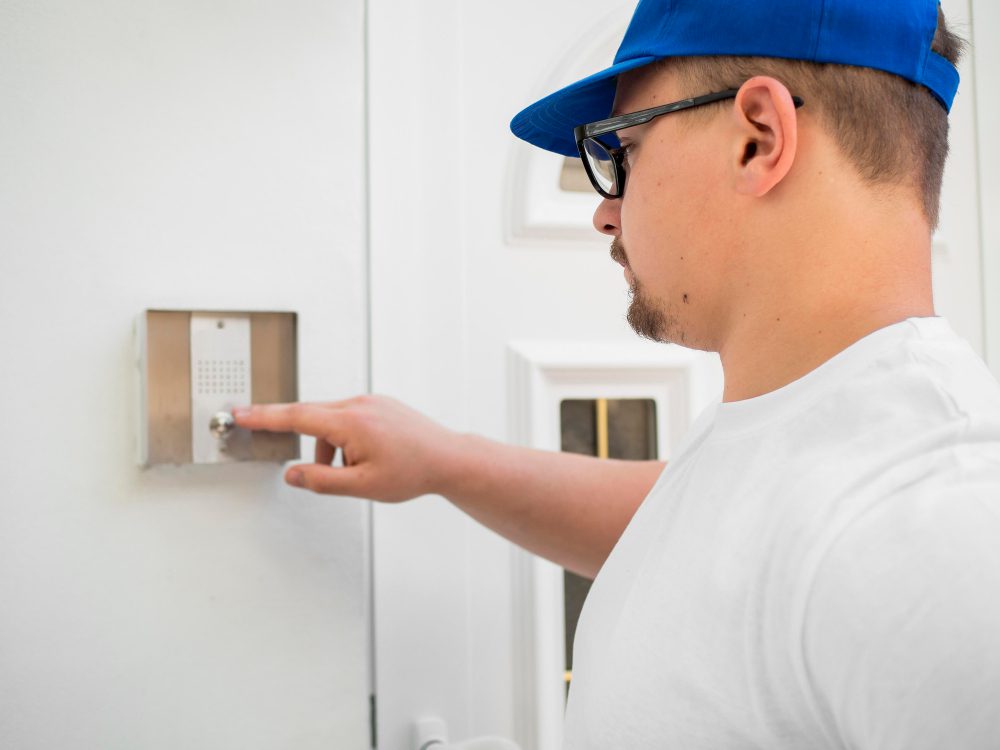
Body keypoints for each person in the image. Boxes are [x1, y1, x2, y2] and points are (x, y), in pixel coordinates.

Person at [234, 0, 1000, 746]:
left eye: (620, 151)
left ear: (758, 138)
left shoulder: (934, 525)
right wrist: (443, 459)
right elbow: (712, 546)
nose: (606, 212)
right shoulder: (813, 450)